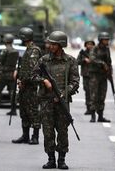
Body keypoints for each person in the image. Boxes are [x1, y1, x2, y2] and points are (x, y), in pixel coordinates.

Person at [32, 31, 79, 169]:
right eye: (50, 43)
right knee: (48, 131)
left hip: (62, 103)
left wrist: (63, 95)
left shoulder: (70, 61)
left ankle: (62, 159)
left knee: (62, 131)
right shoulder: (44, 60)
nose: (50, 46)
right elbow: (33, 76)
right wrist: (44, 80)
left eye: (53, 44)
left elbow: (75, 82)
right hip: (46, 102)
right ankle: (51, 158)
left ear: (60, 45)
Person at [12, 27, 42, 145]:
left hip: (32, 87)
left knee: (33, 111)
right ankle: (25, 135)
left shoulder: (34, 50)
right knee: (24, 111)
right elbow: (24, 68)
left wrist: (23, 81)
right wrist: (19, 76)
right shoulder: (28, 50)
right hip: (25, 86)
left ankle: (35, 136)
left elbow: (32, 69)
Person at [88, 32, 112, 123]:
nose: (107, 41)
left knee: (102, 96)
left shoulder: (107, 49)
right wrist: (102, 63)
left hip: (103, 76)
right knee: (94, 95)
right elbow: (92, 58)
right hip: (95, 75)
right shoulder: (94, 49)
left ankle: (100, 116)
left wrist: (110, 73)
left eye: (107, 40)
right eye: (105, 40)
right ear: (101, 40)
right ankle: (93, 115)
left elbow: (109, 62)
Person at [0, 33, 19, 115]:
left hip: (4, 74)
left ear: (5, 41)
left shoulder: (5, 51)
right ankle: (13, 110)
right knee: (12, 92)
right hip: (12, 74)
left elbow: (0, 62)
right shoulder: (16, 51)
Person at [77, 39, 95, 115]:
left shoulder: (95, 53)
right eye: (88, 44)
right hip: (86, 75)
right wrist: (84, 60)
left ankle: (93, 108)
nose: (90, 46)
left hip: (94, 75)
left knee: (93, 92)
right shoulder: (82, 53)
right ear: (85, 45)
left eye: (91, 44)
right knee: (87, 91)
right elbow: (77, 62)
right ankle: (88, 108)